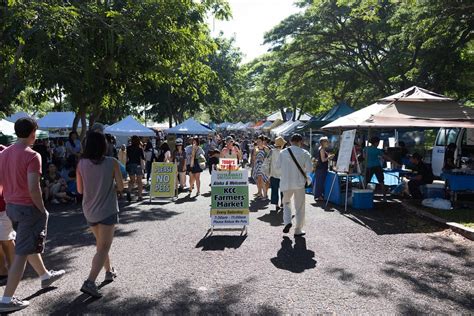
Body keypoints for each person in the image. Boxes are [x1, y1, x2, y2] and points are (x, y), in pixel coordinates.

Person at [0, 118, 65, 313]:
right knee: (21, 252)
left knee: (24, 244)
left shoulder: (4, 154)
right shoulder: (33, 155)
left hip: (11, 206)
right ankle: (6, 299)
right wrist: (42, 208)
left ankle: (45, 276)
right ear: (33, 133)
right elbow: (33, 188)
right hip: (27, 208)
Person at [77, 132, 124, 298]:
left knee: (100, 245)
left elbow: (80, 190)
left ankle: (109, 271)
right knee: (104, 247)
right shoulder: (112, 162)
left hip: (89, 210)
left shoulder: (81, 163)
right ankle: (90, 282)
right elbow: (120, 187)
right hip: (107, 209)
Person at [277, 134, 312, 237]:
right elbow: (309, 169)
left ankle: (287, 221)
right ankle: (298, 229)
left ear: (290, 141)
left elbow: (278, 167)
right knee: (299, 207)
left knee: (286, 203)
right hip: (299, 183)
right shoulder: (305, 153)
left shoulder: (283, 153)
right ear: (300, 142)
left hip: (286, 183)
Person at [363, 136, 397, 201]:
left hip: (368, 166)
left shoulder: (365, 148)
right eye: (378, 142)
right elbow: (386, 157)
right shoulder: (378, 150)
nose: (378, 144)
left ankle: (363, 195)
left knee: (366, 181)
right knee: (381, 182)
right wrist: (394, 162)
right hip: (377, 166)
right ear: (376, 142)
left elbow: (364, 157)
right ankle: (384, 197)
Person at [0, 145, 15, 283]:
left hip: (4, 205)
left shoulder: (4, 152)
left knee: (7, 240)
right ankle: (3, 271)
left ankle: (14, 270)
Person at [268, 136, 286, 212]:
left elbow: (267, 161)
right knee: (283, 190)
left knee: (274, 190)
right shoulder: (285, 152)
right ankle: (283, 203)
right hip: (283, 174)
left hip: (273, 174)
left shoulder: (271, 151)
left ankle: (276, 205)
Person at [313, 137, 334, 201]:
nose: (327, 142)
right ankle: (319, 196)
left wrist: (328, 157)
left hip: (321, 168)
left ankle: (319, 195)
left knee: (320, 182)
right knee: (320, 183)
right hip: (321, 168)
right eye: (326, 141)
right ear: (322, 142)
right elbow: (323, 160)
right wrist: (329, 157)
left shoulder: (322, 149)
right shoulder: (322, 149)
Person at [126, 136, 145, 202]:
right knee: (139, 182)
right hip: (137, 165)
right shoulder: (140, 149)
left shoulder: (128, 148)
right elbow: (143, 157)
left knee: (132, 181)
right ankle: (140, 196)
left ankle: (128, 190)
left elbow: (127, 157)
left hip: (130, 165)